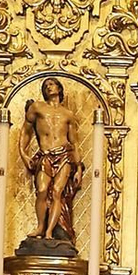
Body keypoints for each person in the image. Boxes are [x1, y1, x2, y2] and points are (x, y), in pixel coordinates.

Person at [21, 77, 84, 246]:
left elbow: (74, 142)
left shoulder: (68, 114)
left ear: (59, 88)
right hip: (45, 155)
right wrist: (23, 154)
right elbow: (26, 132)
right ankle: (41, 227)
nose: (49, 87)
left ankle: (50, 231)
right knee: (42, 190)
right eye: (46, 85)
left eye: (52, 84)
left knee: (57, 192)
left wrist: (78, 168)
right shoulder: (37, 108)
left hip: (64, 155)